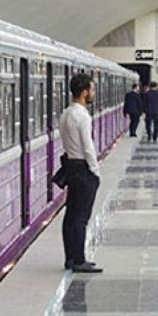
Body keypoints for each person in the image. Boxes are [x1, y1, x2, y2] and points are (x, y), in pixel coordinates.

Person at [60, 72, 103, 273]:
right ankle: (79, 260)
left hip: (71, 165)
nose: (93, 93)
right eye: (92, 90)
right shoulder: (82, 116)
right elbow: (88, 146)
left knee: (70, 215)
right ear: (84, 92)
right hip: (83, 168)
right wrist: (95, 171)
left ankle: (70, 257)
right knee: (81, 218)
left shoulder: (66, 113)